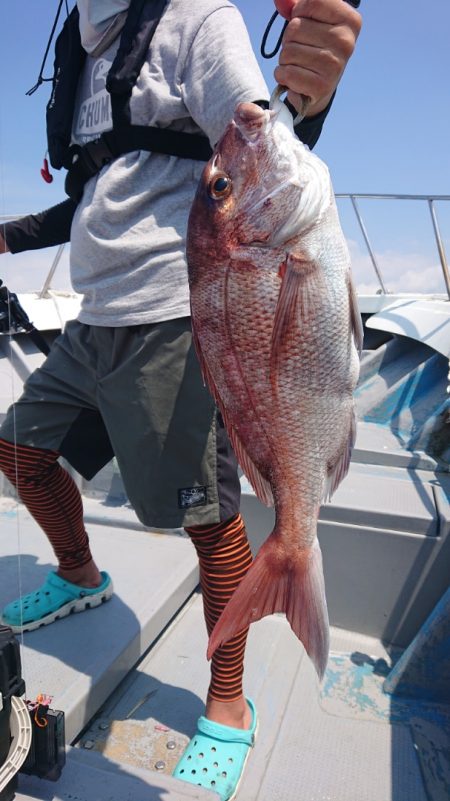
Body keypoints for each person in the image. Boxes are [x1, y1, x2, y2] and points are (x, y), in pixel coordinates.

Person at [0, 0, 361, 797]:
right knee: (17, 447)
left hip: (175, 314)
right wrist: (10, 233)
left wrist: (313, 88)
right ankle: (80, 569)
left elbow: (261, 134)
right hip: (93, 318)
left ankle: (228, 702)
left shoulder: (196, 18)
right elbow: (102, 193)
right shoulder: (88, 46)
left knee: (207, 518)